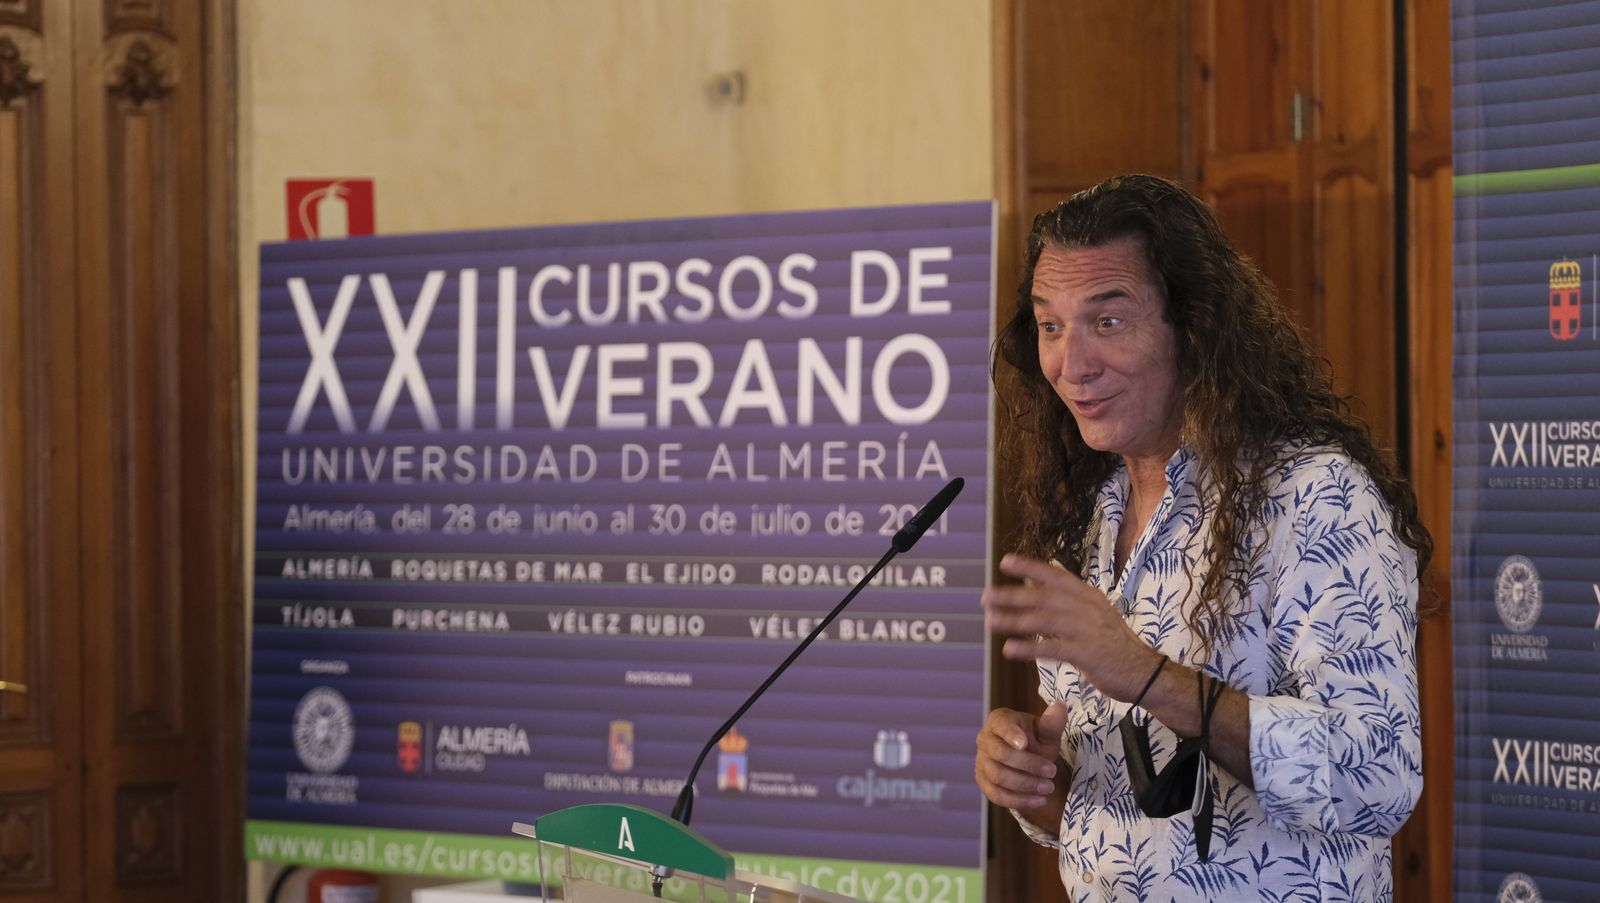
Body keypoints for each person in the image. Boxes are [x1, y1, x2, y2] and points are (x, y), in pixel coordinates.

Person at [975, 174, 1432, 902]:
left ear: (1194, 327)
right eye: (1051, 325)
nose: (1071, 363)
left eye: (1109, 321)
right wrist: (1033, 778)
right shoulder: (1088, 513)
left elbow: (1375, 777)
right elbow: (1122, 818)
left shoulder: (1315, 498)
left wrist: (1150, 676)